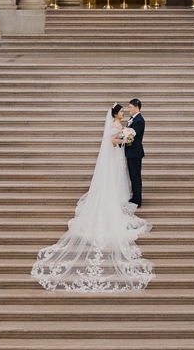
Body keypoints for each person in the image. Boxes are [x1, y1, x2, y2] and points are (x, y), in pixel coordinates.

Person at [30, 102, 154, 291]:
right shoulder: (117, 124)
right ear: (116, 113)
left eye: (127, 108)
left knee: (126, 180)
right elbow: (113, 140)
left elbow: (122, 138)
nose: (125, 111)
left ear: (136, 107)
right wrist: (123, 139)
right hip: (117, 156)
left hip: (122, 156)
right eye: (122, 110)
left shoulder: (130, 122)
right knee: (117, 181)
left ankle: (133, 198)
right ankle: (124, 200)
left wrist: (125, 138)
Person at [125, 98, 145, 207]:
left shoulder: (139, 120)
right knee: (133, 176)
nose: (129, 109)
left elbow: (132, 134)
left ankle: (137, 200)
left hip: (135, 153)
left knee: (136, 176)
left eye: (130, 107)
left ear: (136, 107)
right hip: (131, 152)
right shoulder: (132, 119)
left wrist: (124, 136)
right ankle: (135, 197)